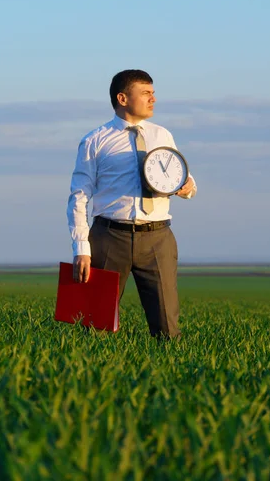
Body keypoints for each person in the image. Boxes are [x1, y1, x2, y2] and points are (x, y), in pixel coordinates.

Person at [67, 70, 197, 339]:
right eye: (146, 93)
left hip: (158, 238)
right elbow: (79, 196)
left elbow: (181, 177)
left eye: (153, 93)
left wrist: (187, 187)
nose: (154, 99)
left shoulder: (163, 135)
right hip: (109, 238)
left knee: (168, 330)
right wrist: (82, 248)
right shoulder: (95, 140)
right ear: (123, 98)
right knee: (95, 327)